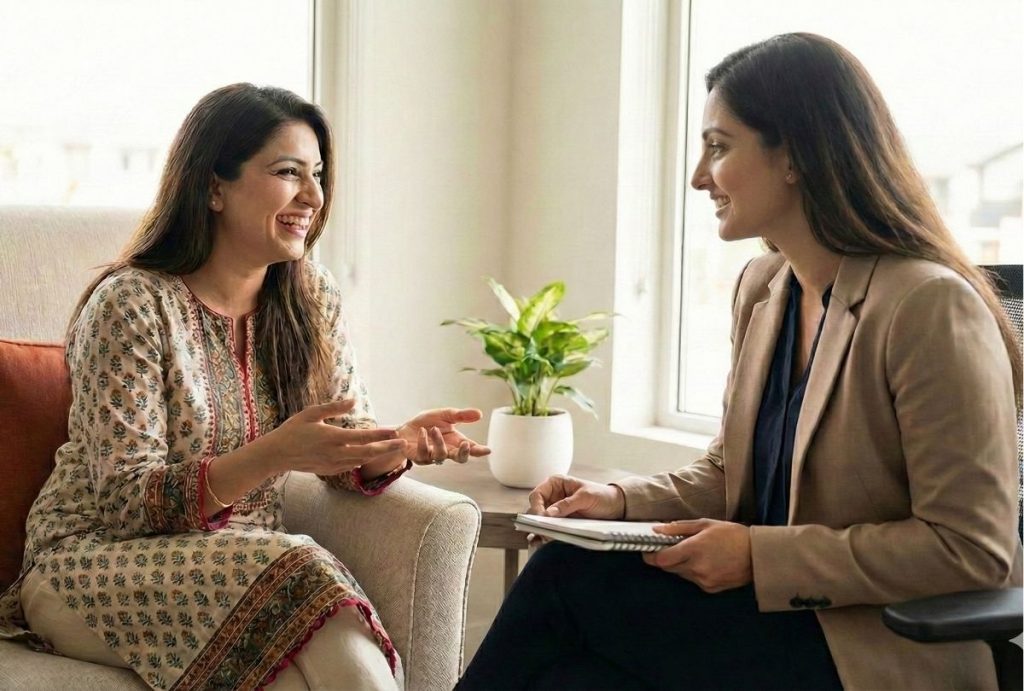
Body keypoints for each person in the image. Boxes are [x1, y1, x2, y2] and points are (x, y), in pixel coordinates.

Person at [457, 32, 1022, 691]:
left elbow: (970, 551)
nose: (699, 175)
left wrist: (758, 555)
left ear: (796, 157)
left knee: (563, 582)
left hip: (875, 647)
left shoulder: (926, 306)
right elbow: (728, 473)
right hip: (769, 626)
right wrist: (615, 502)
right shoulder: (765, 288)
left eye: (719, 147)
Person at [0, 83, 490, 690]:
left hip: (248, 572)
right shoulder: (131, 304)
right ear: (213, 187)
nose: (312, 196)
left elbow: (339, 445)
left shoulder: (311, 297)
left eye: (317, 174)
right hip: (90, 566)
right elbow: (126, 506)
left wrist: (396, 446)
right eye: (288, 172)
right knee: (305, 569)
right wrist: (274, 454)